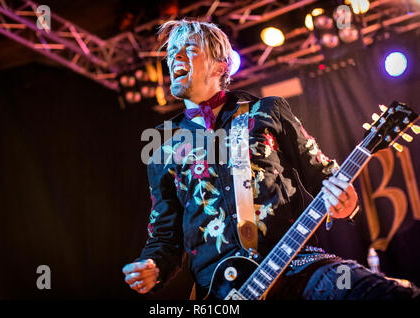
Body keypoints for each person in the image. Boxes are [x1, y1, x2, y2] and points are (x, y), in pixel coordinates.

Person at [122, 19, 419, 300]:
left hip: (295, 263)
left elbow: (323, 175)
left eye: (188, 49)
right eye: (172, 52)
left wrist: (347, 202)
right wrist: (153, 266)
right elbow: (164, 234)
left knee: (380, 293)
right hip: (220, 290)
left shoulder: (266, 112)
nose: (175, 58)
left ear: (220, 64)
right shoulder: (164, 142)